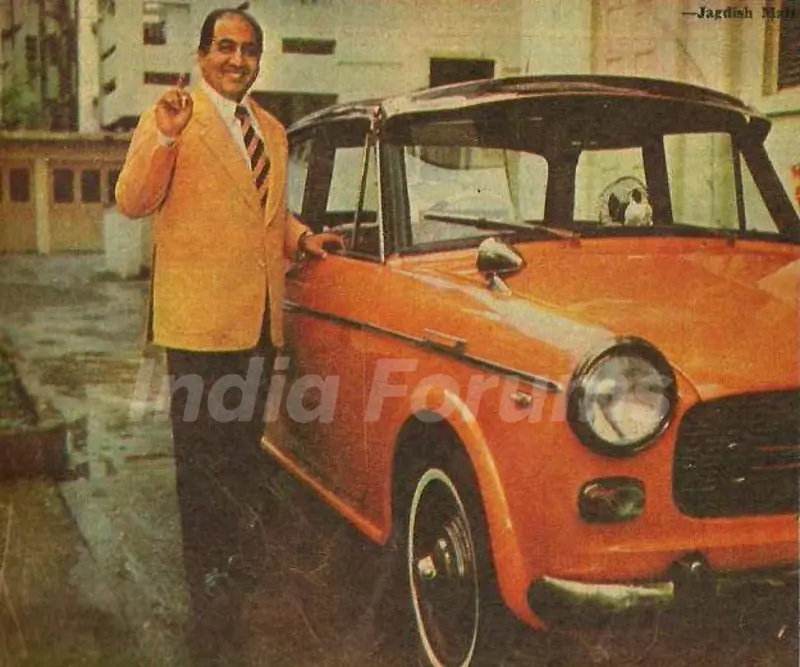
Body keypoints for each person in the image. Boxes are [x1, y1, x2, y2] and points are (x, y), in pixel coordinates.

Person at [115, 7, 341, 662]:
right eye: (225, 47)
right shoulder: (174, 117)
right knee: (201, 463)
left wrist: (302, 238)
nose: (236, 60)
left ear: (259, 61)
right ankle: (207, 585)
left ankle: (233, 564)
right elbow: (132, 199)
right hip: (196, 323)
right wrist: (162, 135)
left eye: (248, 50)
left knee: (243, 455)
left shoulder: (270, 128)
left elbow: (265, 211)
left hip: (256, 322)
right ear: (201, 53)